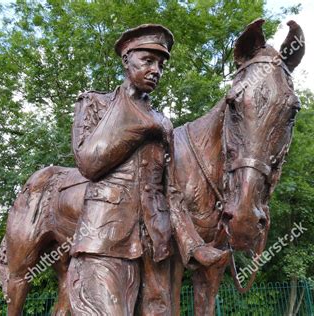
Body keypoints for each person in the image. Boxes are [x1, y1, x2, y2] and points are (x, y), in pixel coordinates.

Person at [68, 24, 228, 315]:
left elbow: (172, 193)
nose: (156, 70)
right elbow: (88, 163)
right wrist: (139, 128)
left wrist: (193, 245)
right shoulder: (94, 103)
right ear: (126, 60)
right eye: (148, 61)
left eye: (161, 65)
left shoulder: (163, 123)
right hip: (103, 241)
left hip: (156, 246)